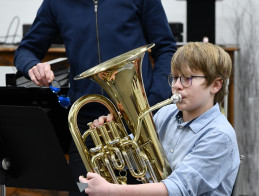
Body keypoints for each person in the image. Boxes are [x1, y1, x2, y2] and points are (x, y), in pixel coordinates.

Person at [14, 0, 176, 194]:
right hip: (86, 127)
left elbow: (166, 48)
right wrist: (33, 65)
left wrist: (152, 103)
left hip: (138, 120)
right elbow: (25, 50)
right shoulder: (55, 3)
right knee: (81, 190)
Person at [79, 42, 240, 196]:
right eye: (175, 78)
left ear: (216, 85)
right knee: (78, 189)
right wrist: (111, 140)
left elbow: (178, 189)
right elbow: (136, 159)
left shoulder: (219, 135)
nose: (176, 85)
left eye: (187, 78)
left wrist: (110, 191)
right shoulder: (166, 114)